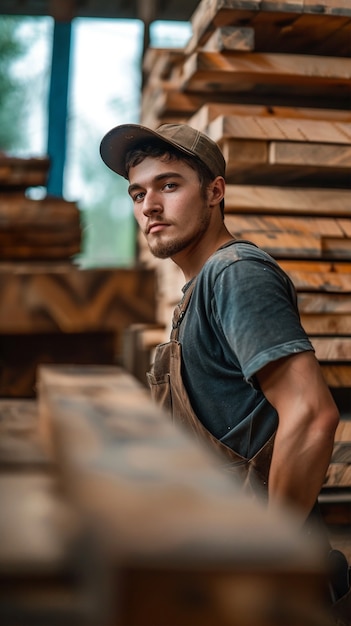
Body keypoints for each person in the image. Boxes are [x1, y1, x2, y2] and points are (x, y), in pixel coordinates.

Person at [100, 123, 350, 615]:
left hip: (260, 589)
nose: (149, 206)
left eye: (169, 185)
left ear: (215, 191)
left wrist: (267, 561)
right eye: (138, 193)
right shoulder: (196, 292)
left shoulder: (234, 274)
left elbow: (311, 415)